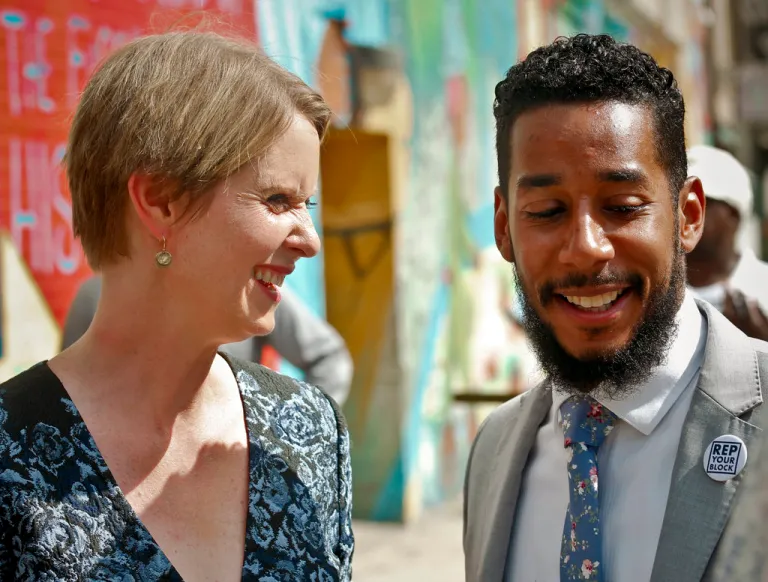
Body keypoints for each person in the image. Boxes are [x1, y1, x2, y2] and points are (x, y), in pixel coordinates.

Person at [0, 31, 353, 580]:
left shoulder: (310, 430)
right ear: (161, 200)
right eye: (278, 200)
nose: (308, 238)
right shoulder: (7, 452)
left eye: (306, 204)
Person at [463, 34, 768, 582]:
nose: (585, 247)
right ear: (503, 228)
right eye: (547, 211)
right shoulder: (495, 449)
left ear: (688, 215)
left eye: (623, 207)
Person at [62, 276, 354, 405]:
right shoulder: (96, 297)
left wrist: (290, 436)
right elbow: (68, 397)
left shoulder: (251, 290)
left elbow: (328, 357)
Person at [685, 144, 768, 341]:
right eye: (677, 200)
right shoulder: (654, 294)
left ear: (733, 214)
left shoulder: (763, 288)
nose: (684, 211)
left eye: (701, 201)